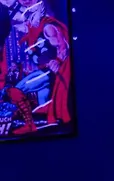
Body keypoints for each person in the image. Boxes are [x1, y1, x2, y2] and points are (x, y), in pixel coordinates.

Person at [6, 0, 71, 134]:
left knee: (17, 90)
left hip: (52, 72)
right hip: (45, 72)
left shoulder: (47, 27)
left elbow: (63, 46)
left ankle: (30, 126)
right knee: (44, 103)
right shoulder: (31, 31)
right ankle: (48, 126)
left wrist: (58, 61)